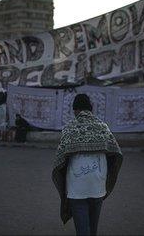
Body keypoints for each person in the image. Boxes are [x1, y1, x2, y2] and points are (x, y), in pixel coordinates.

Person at [52, 94, 123, 236]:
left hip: (77, 186)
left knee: (83, 230)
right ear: (90, 109)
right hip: (98, 184)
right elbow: (116, 153)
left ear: (75, 110)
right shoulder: (102, 127)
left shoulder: (69, 128)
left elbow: (59, 160)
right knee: (93, 229)